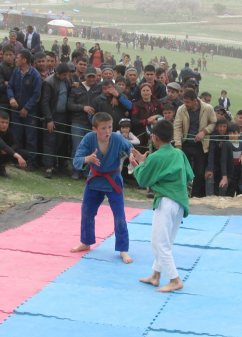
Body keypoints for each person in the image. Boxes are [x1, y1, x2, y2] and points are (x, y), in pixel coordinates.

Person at [131, 119, 193, 293]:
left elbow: (144, 180)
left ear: (154, 138)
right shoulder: (179, 154)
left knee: (158, 243)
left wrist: (138, 165)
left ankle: (175, 279)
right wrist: (146, 163)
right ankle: (156, 275)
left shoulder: (156, 157)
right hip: (180, 203)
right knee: (166, 241)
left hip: (166, 202)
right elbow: (188, 175)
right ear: (172, 136)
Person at [70, 112, 134, 264]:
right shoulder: (88, 139)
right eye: (103, 128)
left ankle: (123, 249)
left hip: (113, 179)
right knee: (87, 212)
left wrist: (133, 156)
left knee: (119, 216)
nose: (107, 131)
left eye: (110, 127)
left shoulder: (117, 138)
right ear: (94, 129)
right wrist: (87, 159)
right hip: (95, 179)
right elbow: (76, 159)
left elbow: (130, 148)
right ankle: (86, 241)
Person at [174, 89, 216, 198]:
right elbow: (177, 127)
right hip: (185, 144)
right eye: (184, 101)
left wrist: (204, 132)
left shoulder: (208, 108)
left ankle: (195, 197)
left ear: (195, 101)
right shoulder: (181, 109)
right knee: (182, 171)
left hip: (201, 145)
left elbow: (213, 123)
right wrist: (178, 146)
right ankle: (181, 195)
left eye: (187, 102)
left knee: (199, 173)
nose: (185, 104)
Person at [7, 50, 42, 170]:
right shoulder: (16, 71)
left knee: (31, 137)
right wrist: (11, 98)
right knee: (16, 136)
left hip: (30, 112)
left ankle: (32, 162)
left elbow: (37, 94)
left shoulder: (35, 75)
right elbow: (10, 86)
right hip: (16, 110)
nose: (15, 59)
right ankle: (18, 159)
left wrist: (26, 108)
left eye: (18, 58)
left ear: (24, 60)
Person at [68, 66, 102, 180]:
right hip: (78, 121)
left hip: (93, 124)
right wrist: (83, 108)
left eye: (94, 76)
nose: (92, 79)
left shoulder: (99, 88)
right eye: (89, 77)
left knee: (92, 149)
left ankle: (87, 172)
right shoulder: (77, 87)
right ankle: (76, 170)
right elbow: (69, 104)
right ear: (85, 76)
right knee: (77, 147)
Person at [41, 62, 71, 178]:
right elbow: (44, 102)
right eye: (63, 75)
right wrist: (49, 119)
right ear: (57, 73)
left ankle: (56, 165)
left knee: (60, 142)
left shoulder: (67, 82)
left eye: (67, 74)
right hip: (52, 116)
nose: (66, 77)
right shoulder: (49, 82)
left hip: (63, 116)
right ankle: (48, 167)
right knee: (50, 141)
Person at [205, 118, 228, 196]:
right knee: (209, 179)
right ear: (216, 127)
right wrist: (210, 169)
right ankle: (209, 199)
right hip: (213, 163)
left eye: (224, 126)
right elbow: (211, 153)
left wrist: (224, 146)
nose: (222, 129)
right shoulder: (213, 136)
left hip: (224, 166)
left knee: (222, 184)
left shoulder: (229, 136)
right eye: (220, 127)